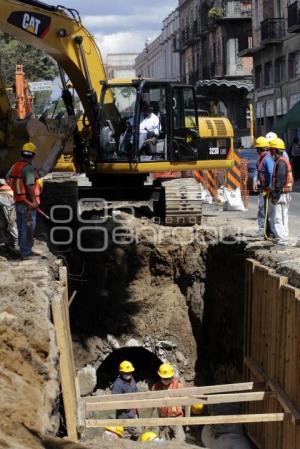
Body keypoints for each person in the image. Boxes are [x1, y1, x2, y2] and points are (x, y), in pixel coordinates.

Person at [6, 142, 41, 259]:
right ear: (33, 155)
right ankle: (26, 252)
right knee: (29, 227)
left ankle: (24, 249)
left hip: (19, 201)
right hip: (28, 203)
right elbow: (30, 185)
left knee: (22, 226)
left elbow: (8, 178)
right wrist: (35, 201)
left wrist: (16, 191)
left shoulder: (15, 166)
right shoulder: (28, 168)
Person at [269, 137, 294, 246]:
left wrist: (274, 196)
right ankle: (284, 237)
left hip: (282, 194)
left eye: (271, 150)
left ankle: (282, 239)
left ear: (275, 150)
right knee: (284, 216)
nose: (270, 152)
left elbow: (279, 182)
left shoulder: (281, 163)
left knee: (278, 217)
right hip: (285, 193)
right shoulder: (283, 161)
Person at [152, 363, 185, 442]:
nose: (166, 380)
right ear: (160, 376)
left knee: (180, 439)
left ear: (172, 376)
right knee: (163, 440)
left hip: (176, 417)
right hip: (163, 417)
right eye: (164, 378)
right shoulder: (156, 387)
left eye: (168, 378)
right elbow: (152, 402)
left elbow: (186, 401)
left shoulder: (178, 386)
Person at [111, 360, 139, 439]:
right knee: (125, 435)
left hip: (133, 412)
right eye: (126, 372)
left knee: (137, 432)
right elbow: (115, 400)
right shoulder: (117, 384)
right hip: (123, 415)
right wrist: (127, 406)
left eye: (130, 372)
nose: (128, 374)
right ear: (121, 372)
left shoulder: (132, 379)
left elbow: (136, 390)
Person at [253, 136, 275, 237]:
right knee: (262, 208)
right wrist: (255, 180)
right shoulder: (261, 159)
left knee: (269, 212)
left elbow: (271, 174)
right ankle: (264, 230)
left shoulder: (267, 159)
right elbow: (257, 170)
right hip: (263, 188)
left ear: (259, 149)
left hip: (268, 189)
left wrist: (270, 188)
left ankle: (270, 232)